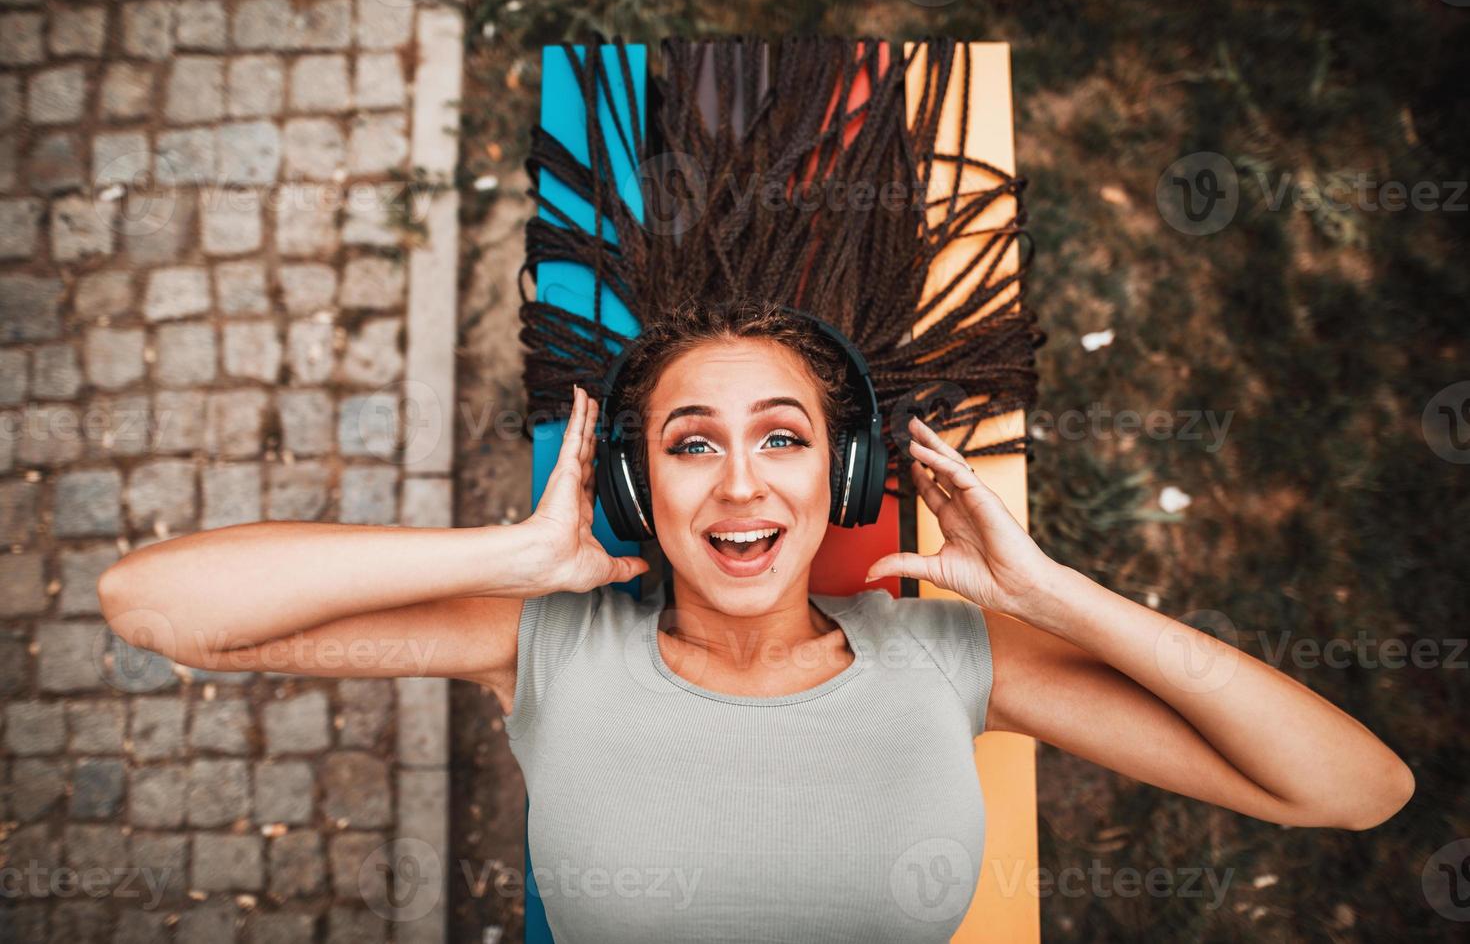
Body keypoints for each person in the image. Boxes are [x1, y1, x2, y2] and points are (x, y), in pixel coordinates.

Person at [99, 300, 1414, 943]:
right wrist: (507, 552)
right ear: (633, 487)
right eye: (687, 446)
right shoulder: (543, 642)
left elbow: (1351, 791)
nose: (738, 484)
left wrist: (1053, 596)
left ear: (838, 479)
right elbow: (154, 606)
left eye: (781, 438)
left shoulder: (954, 655)